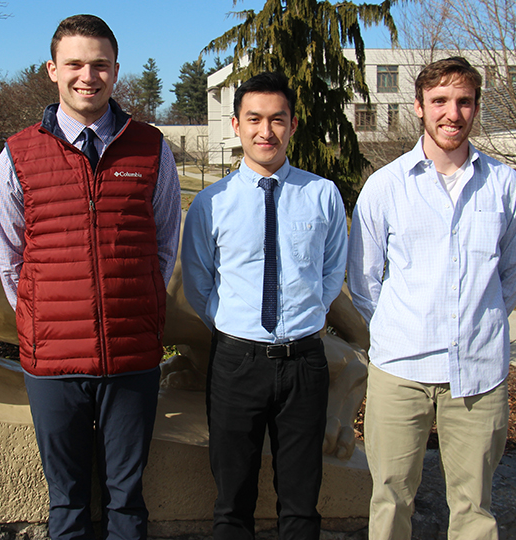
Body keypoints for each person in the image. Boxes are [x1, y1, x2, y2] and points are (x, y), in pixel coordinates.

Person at [0, 14, 181, 540]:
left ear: (115, 71)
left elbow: (164, 244)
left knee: (126, 503)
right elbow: (10, 255)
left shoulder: (151, 147)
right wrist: (38, 316)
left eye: (99, 65)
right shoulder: (18, 154)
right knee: (68, 504)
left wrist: (138, 305)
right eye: (74, 64)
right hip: (52, 359)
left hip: (131, 355)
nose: (87, 76)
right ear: (53, 69)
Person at [347, 57, 516, 540]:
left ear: (476, 107)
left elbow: (511, 275)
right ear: (419, 106)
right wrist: (399, 327)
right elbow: (364, 282)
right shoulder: (385, 186)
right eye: (440, 101)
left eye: (464, 101)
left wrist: (477, 322)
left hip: (478, 374)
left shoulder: (505, 185)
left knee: (474, 507)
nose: (453, 113)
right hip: (400, 371)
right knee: (389, 498)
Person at [181, 71, 348, 540]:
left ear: (293, 125)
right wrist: (236, 328)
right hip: (237, 363)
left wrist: (308, 313)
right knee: (232, 502)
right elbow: (198, 283)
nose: (265, 130)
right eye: (254, 118)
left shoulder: (322, 195)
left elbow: (333, 271)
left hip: (304, 363)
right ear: (235, 125)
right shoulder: (211, 204)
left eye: (278, 119)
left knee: (300, 502)